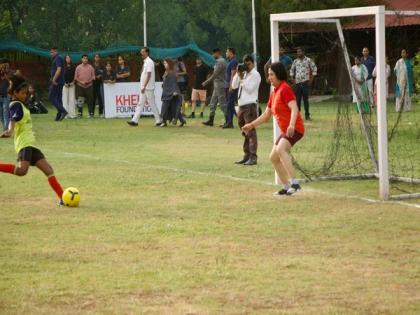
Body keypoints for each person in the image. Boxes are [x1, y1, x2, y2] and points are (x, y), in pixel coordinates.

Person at [0, 75, 65, 205]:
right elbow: (13, 119)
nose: (25, 95)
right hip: (24, 144)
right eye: (23, 93)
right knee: (22, 171)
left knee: (49, 170)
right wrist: (10, 130)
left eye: (26, 93)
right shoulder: (16, 105)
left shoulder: (21, 105)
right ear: (15, 93)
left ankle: (63, 198)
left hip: (31, 144)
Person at [242, 62, 305, 196]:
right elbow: (266, 116)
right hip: (286, 130)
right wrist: (251, 125)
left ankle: (295, 183)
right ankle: (286, 186)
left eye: (272, 74)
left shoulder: (285, 89)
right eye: (268, 74)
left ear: (279, 75)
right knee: (273, 157)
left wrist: (292, 125)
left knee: (281, 149)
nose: (269, 77)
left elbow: (294, 108)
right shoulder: (274, 92)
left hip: (296, 128)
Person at [232, 54, 261, 166]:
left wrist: (242, 79)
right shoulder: (243, 74)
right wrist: (237, 74)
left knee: (250, 131)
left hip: (250, 106)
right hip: (241, 106)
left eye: (248, 64)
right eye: (245, 64)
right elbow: (234, 86)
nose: (247, 66)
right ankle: (247, 155)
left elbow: (249, 89)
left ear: (252, 63)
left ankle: (253, 157)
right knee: (244, 131)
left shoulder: (256, 75)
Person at [127, 47, 162, 126]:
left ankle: (158, 120)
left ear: (147, 53)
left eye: (142, 52)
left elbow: (149, 75)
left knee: (152, 104)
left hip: (148, 88)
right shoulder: (146, 61)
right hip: (144, 87)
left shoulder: (149, 62)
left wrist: (144, 86)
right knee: (140, 104)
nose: (141, 53)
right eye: (141, 51)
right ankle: (134, 121)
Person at [289, 47, 317, 121]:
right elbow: (291, 71)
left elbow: (314, 69)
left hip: (305, 83)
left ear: (303, 52)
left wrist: (311, 80)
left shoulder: (308, 60)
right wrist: (293, 79)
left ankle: (307, 116)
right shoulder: (295, 61)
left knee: (305, 100)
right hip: (297, 84)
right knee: (297, 100)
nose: (298, 53)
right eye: (297, 52)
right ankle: (297, 116)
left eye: (300, 52)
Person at [202, 48, 227, 127]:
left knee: (222, 104)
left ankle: (228, 121)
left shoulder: (220, 61)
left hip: (220, 85)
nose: (213, 55)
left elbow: (215, 74)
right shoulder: (218, 61)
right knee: (212, 103)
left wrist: (207, 82)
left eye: (214, 54)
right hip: (217, 85)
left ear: (218, 53)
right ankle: (211, 120)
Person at [160, 59, 186, 127]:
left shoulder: (172, 73)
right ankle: (182, 120)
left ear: (169, 64)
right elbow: (166, 82)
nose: (164, 65)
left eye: (166, 63)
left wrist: (174, 91)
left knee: (165, 107)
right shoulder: (167, 71)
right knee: (172, 108)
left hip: (171, 93)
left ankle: (164, 121)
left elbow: (174, 83)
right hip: (166, 92)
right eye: (164, 64)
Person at [48, 47, 67, 121]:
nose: (51, 54)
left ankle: (63, 111)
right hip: (60, 81)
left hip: (56, 82)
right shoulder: (58, 58)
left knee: (51, 96)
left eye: (52, 52)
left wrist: (54, 79)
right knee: (58, 98)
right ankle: (59, 115)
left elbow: (59, 69)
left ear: (56, 51)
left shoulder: (58, 58)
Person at [224, 47, 239, 129]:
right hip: (227, 85)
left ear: (231, 52)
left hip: (231, 87)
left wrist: (231, 86)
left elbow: (233, 74)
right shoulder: (230, 61)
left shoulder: (234, 61)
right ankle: (228, 122)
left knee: (230, 104)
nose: (226, 53)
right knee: (229, 105)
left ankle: (230, 123)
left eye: (227, 52)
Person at [0, 58, 12, 131]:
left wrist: (6, 75)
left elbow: (12, 82)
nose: (4, 67)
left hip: (6, 96)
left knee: (6, 112)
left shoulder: (9, 73)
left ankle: (6, 129)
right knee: (1, 114)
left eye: (6, 65)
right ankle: (5, 128)